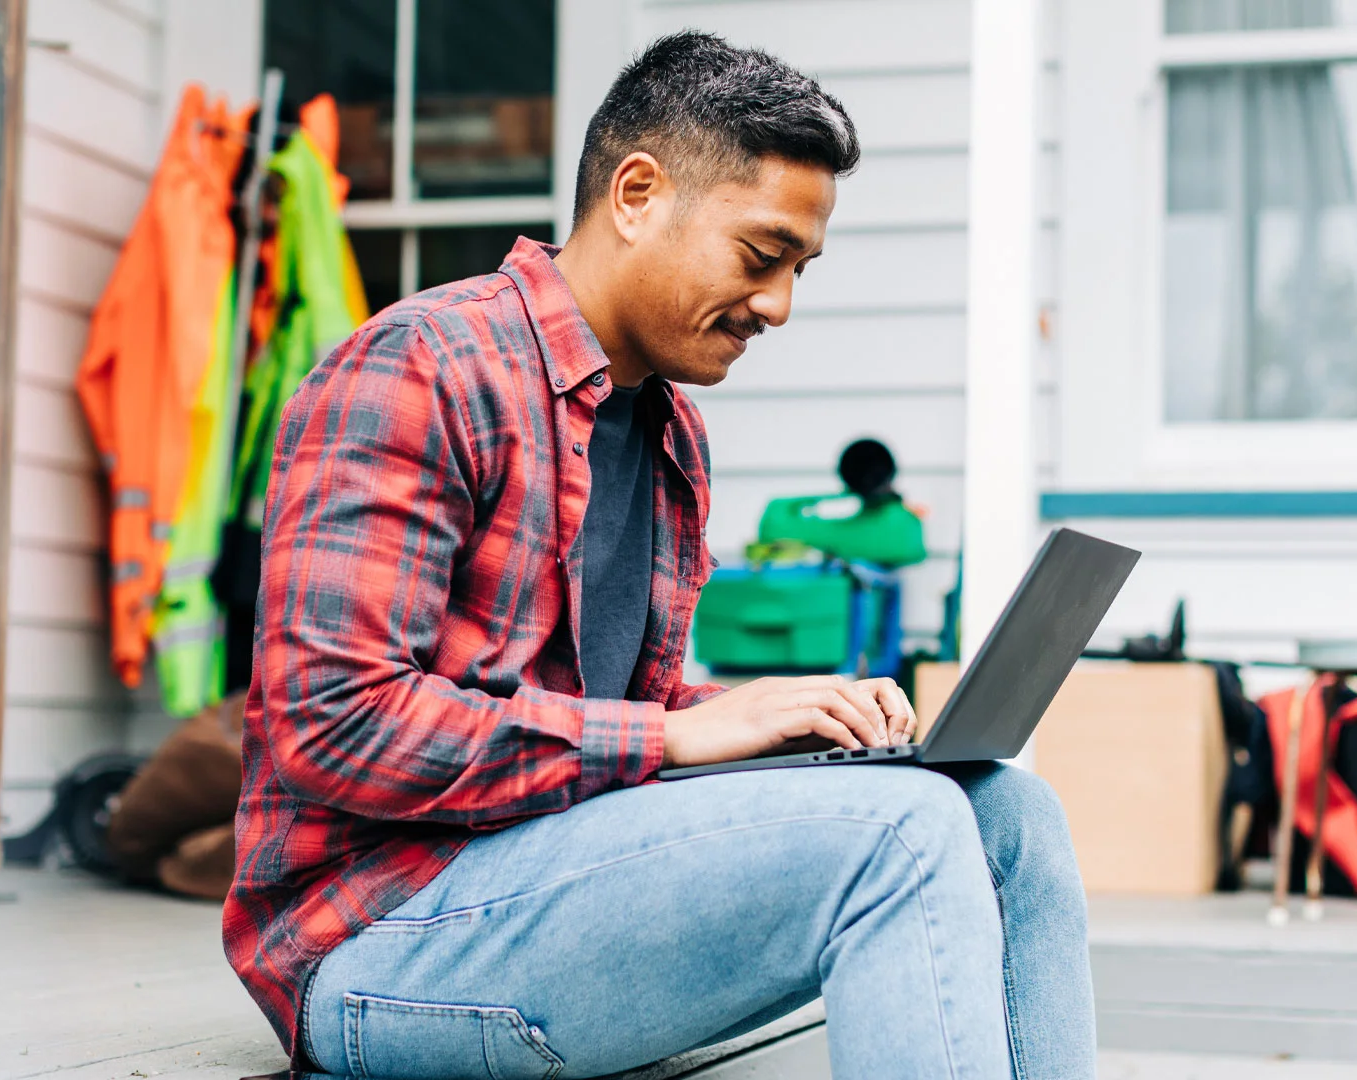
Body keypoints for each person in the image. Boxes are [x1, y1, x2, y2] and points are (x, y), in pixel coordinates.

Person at [224, 31, 1096, 1080]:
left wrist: (778, 721)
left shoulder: (669, 432)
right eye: (761, 257)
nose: (779, 305)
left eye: (799, 271)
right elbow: (335, 721)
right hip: (377, 938)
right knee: (900, 834)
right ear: (637, 195)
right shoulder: (420, 368)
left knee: (1006, 810)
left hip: (546, 877)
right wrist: (678, 737)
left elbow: (602, 708)